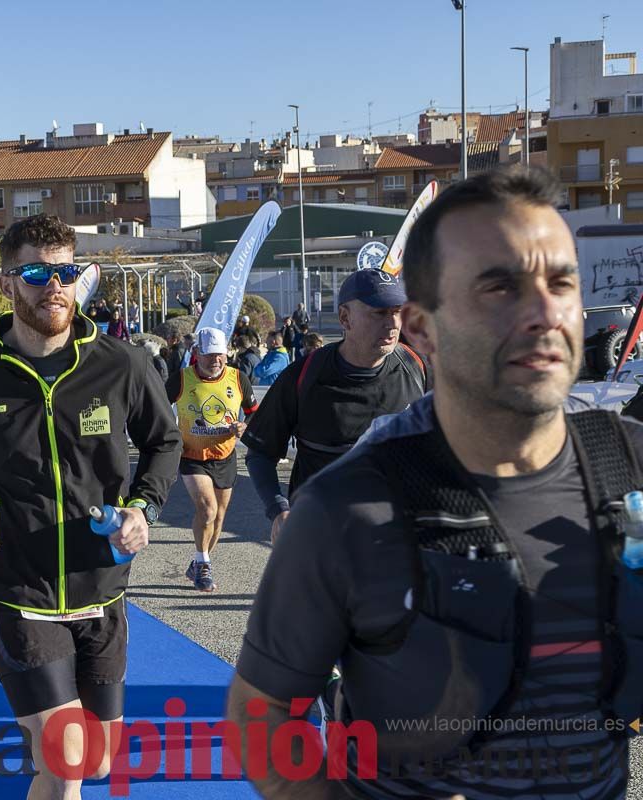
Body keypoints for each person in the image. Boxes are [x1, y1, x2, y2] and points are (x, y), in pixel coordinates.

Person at [229, 166, 642, 798]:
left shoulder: (631, 464)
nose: (544, 312)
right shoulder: (345, 511)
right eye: (498, 287)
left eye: (561, 281)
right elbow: (262, 719)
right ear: (424, 326)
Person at [0, 214, 182, 799]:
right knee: (64, 761)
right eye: (37, 273)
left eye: (66, 271)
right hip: (17, 589)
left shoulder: (122, 364)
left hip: (102, 584)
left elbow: (164, 443)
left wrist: (143, 507)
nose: (54, 286)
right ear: (9, 283)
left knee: (97, 762)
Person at [243, 268, 428, 542]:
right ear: (345, 317)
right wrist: (278, 509)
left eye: (397, 311)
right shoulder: (303, 375)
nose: (392, 323)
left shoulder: (418, 366)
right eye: (378, 312)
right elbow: (259, 453)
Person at [166, 327, 258, 592]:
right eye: (209, 356)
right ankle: (203, 563)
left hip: (225, 455)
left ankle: (199, 561)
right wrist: (170, 435)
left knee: (219, 518)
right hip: (192, 456)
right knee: (207, 509)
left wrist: (244, 426)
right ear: (197, 354)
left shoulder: (238, 378)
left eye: (220, 355)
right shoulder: (181, 379)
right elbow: (159, 407)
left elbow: (253, 412)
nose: (215, 361)